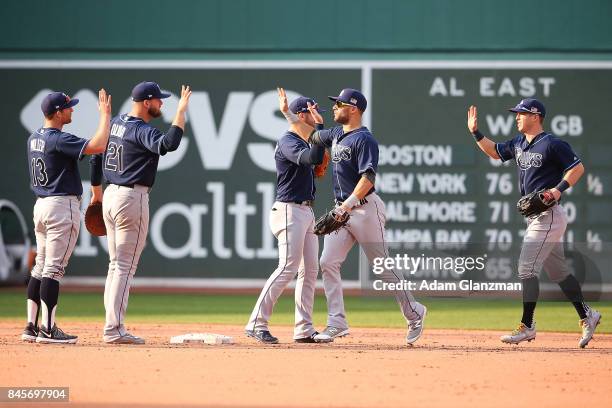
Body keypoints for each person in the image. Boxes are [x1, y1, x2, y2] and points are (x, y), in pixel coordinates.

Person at [467, 98, 601, 348]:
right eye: (516, 113)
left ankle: (527, 325)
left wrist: (558, 190)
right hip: (535, 218)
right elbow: (495, 151)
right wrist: (476, 132)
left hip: (548, 215)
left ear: (536, 116)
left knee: (526, 268)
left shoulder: (552, 143)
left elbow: (577, 168)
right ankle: (588, 315)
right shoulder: (519, 143)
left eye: (521, 113)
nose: (516, 117)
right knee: (559, 272)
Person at [300, 88, 427, 344]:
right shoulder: (336, 133)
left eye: (339, 104)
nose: (335, 107)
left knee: (381, 268)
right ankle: (337, 322)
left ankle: (414, 313)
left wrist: (347, 206)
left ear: (354, 108)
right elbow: (314, 136)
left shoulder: (364, 139)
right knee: (328, 262)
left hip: (364, 208)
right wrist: (303, 119)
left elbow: (368, 178)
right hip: (341, 211)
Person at [90, 81, 191, 344]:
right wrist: (181, 112)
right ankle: (114, 329)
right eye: (158, 100)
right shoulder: (140, 129)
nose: (162, 103)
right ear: (146, 102)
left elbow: (95, 155)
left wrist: (96, 191)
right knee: (124, 266)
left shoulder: (117, 122)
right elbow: (169, 144)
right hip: (130, 197)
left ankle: (111, 326)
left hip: (111, 193)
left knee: (115, 266)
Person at [22, 89, 112, 344]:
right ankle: (48, 330)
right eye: (69, 107)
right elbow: (98, 146)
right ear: (58, 113)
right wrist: (105, 116)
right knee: (53, 268)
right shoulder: (56, 139)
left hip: (41, 205)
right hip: (61, 205)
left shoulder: (34, 138)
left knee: (40, 266)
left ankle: (31, 325)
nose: (72, 109)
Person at [245, 88, 325, 343]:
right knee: (288, 267)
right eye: (312, 112)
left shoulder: (303, 138)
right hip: (289, 210)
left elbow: (316, 156)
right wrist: (316, 132)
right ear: (303, 115)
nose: (317, 116)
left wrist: (311, 130)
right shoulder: (289, 141)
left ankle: (303, 328)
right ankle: (256, 322)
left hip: (306, 211)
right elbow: (311, 157)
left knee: (310, 270)